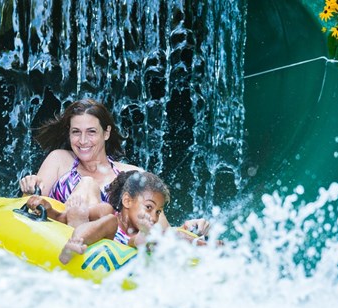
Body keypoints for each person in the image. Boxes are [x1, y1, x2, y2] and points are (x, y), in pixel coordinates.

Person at [20, 98, 209, 239]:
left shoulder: (131, 175)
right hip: (58, 238)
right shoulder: (59, 159)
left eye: (91, 132)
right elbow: (29, 207)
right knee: (87, 184)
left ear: (107, 132)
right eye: (76, 132)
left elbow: (159, 227)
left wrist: (187, 229)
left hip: (112, 248)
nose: (83, 141)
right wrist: (29, 188)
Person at [27, 170, 211, 264]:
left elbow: (172, 234)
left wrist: (200, 241)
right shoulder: (106, 211)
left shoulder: (141, 231)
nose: (153, 216)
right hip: (82, 240)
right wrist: (48, 209)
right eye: (148, 208)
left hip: (129, 245)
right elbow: (63, 218)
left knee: (150, 237)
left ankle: (205, 247)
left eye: (158, 212)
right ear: (127, 201)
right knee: (104, 220)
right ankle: (72, 247)